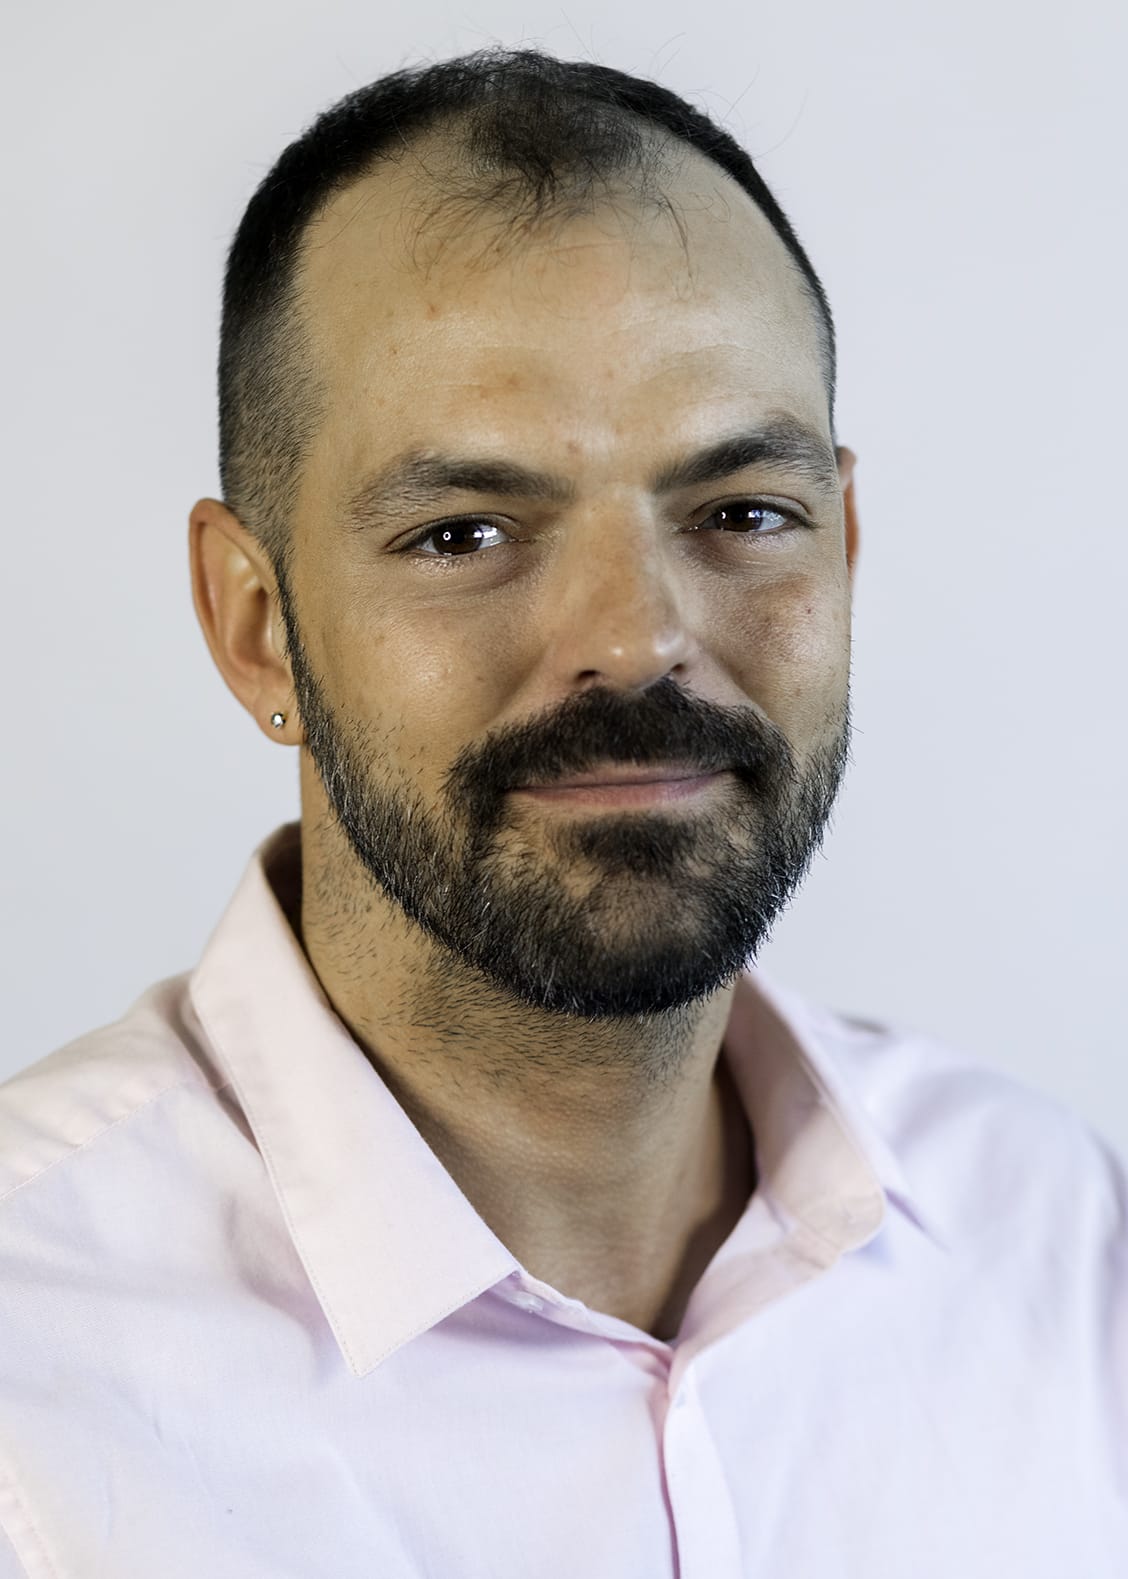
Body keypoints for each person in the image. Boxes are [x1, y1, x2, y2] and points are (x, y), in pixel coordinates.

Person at [1, 47, 1124, 1578]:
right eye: (463, 530)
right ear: (256, 624)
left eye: (741, 513)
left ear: (845, 547)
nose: (638, 635)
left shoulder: (1056, 1236)